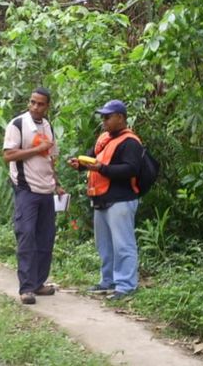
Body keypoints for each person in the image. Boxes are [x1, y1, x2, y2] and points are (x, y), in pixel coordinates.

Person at [68, 100, 142, 300]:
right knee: (105, 245)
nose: (104, 121)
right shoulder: (104, 139)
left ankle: (126, 286)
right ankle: (107, 281)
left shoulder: (130, 142)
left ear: (120, 118)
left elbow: (131, 169)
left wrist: (102, 169)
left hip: (121, 199)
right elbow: (93, 160)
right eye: (103, 117)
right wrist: (80, 164)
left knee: (123, 244)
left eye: (108, 117)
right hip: (101, 199)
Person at [3, 87, 65, 305]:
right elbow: (8, 155)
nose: (36, 107)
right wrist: (36, 150)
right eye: (33, 102)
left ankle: (39, 283)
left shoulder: (48, 127)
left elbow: (51, 158)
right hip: (26, 190)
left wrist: (57, 184)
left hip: (47, 191)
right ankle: (26, 288)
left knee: (45, 238)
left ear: (48, 106)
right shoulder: (18, 124)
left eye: (41, 104)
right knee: (27, 235)